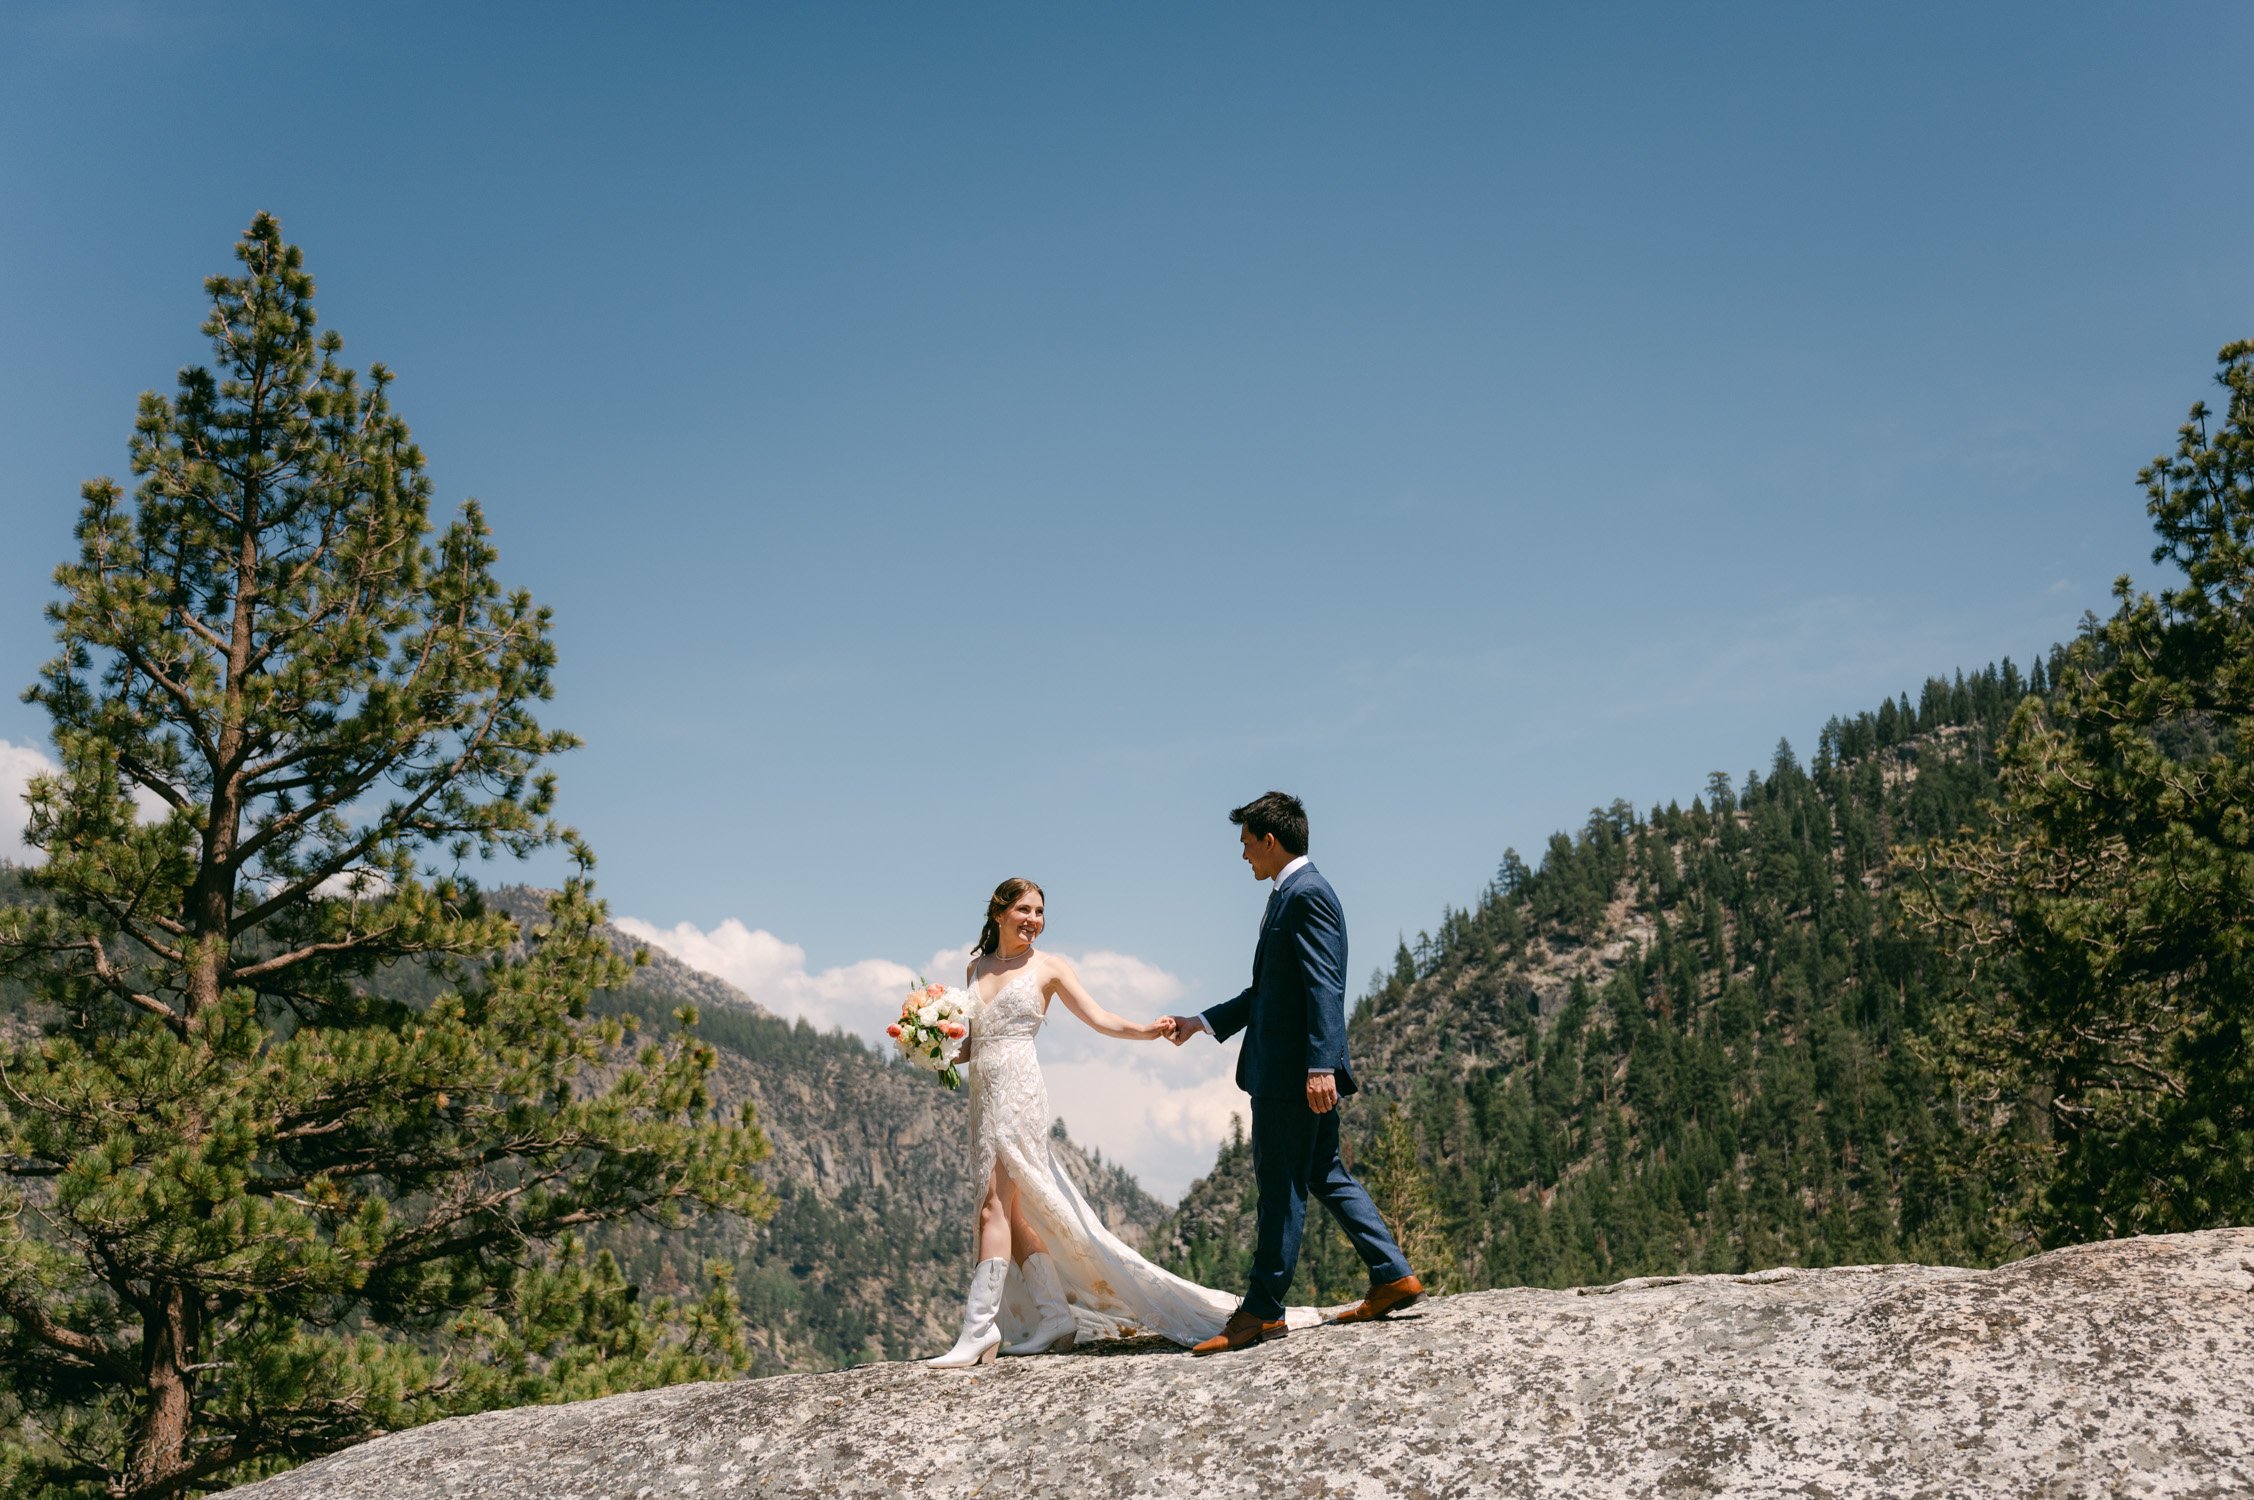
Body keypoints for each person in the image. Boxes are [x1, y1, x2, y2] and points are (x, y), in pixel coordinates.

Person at [927, 879, 1319, 1367]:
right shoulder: (975, 968)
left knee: (992, 1207)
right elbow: (975, 1045)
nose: (1033, 919)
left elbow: (1098, 1018)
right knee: (1013, 1213)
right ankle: (1055, 1318)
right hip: (983, 1097)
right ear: (999, 913)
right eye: (1024, 910)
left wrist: (1147, 1031)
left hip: (1019, 1095)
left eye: (1040, 911)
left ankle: (979, 1329)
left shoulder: (1049, 968)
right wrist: (932, 1046)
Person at [1166, 791, 1423, 1355]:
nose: (1243, 857)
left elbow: (1323, 985)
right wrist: (1202, 1021)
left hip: (1292, 1075)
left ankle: (1261, 1311)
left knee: (1279, 1184)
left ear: (1270, 840)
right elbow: (1270, 993)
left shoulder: (1306, 896)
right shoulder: (1291, 894)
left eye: (1246, 845)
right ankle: (1392, 1274)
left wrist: (1320, 1065)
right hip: (1295, 1069)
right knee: (1324, 1172)